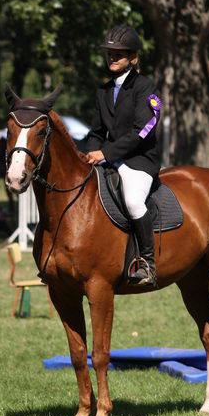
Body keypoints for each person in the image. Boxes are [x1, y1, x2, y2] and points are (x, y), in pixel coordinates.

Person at [85, 24, 161, 287]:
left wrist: (105, 153)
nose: (113, 58)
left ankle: (147, 264)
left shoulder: (145, 87)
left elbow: (143, 131)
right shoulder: (103, 90)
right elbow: (96, 132)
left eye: (119, 54)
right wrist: (88, 154)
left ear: (133, 57)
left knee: (133, 201)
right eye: (110, 54)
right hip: (109, 159)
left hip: (139, 160)